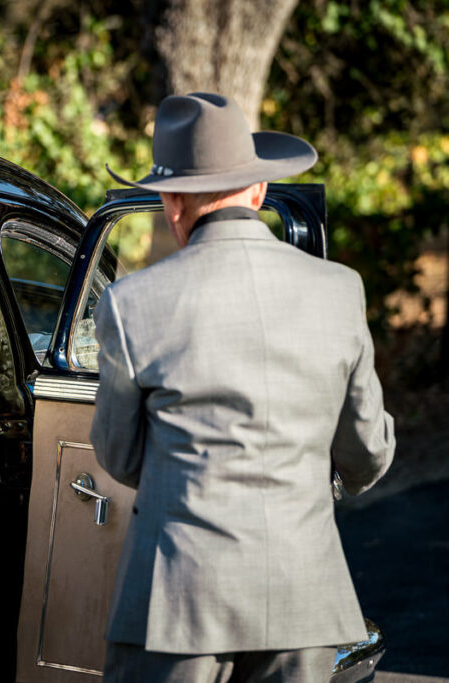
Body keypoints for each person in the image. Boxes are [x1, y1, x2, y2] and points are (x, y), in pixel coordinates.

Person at [90, 93, 395, 682]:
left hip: (175, 599)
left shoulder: (131, 303)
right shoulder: (340, 290)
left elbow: (120, 455)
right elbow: (367, 451)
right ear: (258, 192)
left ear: (171, 201)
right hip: (303, 592)